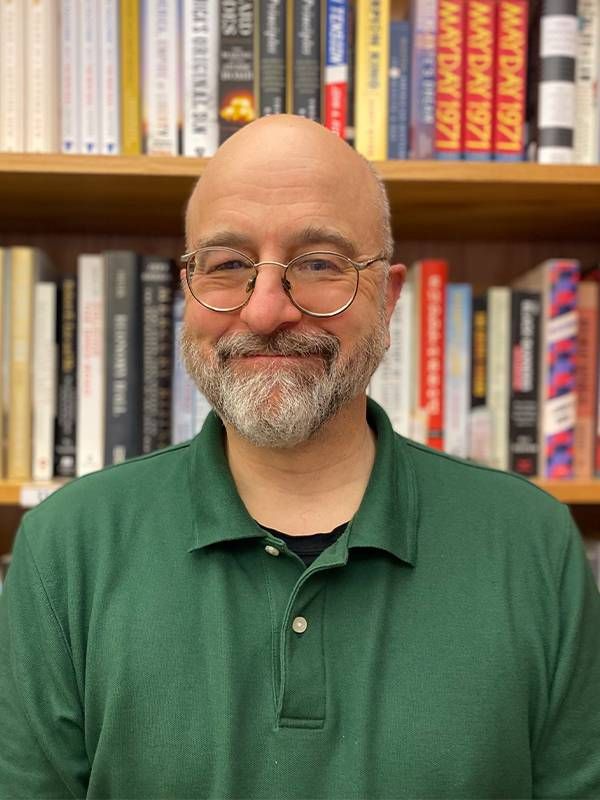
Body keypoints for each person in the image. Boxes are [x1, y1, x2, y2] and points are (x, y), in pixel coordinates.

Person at [0, 114, 599, 800]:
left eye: (318, 264)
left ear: (389, 296)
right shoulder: (67, 549)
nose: (264, 311)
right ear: (187, 289)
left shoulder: (533, 544)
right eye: (228, 265)